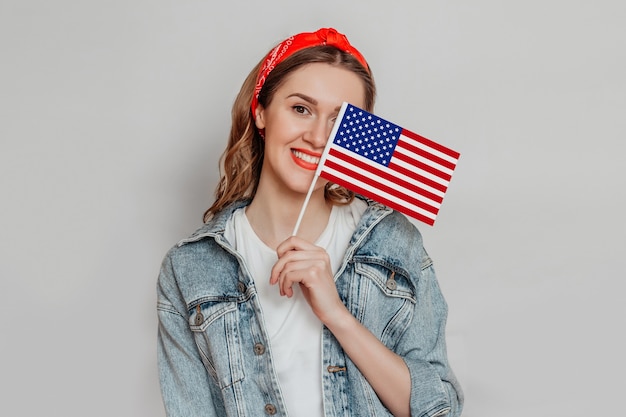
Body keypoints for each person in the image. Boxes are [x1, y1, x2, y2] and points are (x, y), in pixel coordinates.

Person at [157, 27, 463, 417]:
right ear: (261, 111)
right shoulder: (190, 268)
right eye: (301, 109)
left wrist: (336, 314)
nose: (319, 137)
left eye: (339, 121)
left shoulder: (392, 243)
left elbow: (439, 409)